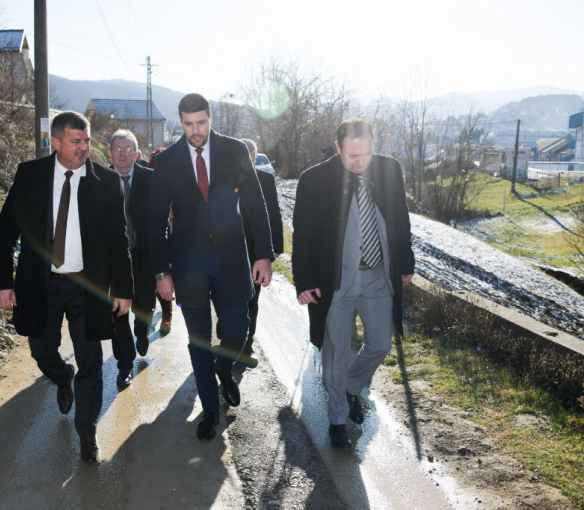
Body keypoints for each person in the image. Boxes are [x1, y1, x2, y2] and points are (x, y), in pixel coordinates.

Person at [0, 111, 133, 463]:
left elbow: (119, 240)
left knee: (91, 361)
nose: (84, 147)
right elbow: (6, 230)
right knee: (41, 350)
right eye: (75, 141)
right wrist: (2, 283)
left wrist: (124, 289)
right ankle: (61, 374)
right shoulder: (31, 175)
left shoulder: (105, 181)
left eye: (87, 140)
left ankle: (87, 432)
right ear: (55, 142)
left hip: (88, 287)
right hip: (41, 284)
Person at [148, 93, 274, 441]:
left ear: (210, 118)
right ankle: (210, 409)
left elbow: (256, 205)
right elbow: (155, 221)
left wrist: (264, 254)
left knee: (237, 330)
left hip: (232, 258)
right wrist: (162, 273)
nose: (195, 131)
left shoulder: (234, 150)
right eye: (188, 124)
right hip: (188, 265)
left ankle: (224, 368)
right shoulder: (167, 161)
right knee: (199, 339)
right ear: (181, 122)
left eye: (201, 122)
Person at [292, 118, 414, 450]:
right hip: (335, 280)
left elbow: (400, 218)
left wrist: (405, 262)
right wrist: (304, 281)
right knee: (336, 351)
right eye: (352, 156)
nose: (360, 162)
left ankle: (350, 386)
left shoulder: (389, 170)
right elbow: (303, 236)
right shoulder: (314, 179)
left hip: (377, 275)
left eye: (366, 154)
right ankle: (337, 420)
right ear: (338, 148)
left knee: (381, 343)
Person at [216, 138, 283, 368]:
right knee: (226, 298)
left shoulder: (266, 179)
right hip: (226, 250)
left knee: (252, 299)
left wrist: (275, 247)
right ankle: (227, 336)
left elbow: (273, 213)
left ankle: (246, 346)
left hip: (255, 251)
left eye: (251, 157)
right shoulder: (223, 177)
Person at [108, 129, 156, 386]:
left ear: (137, 154)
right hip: (115, 258)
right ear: (110, 153)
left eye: (128, 149)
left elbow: (162, 221)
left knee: (144, 304)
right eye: (117, 149)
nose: (122, 154)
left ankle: (142, 329)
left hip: (144, 255)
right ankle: (124, 365)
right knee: (117, 312)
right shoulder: (99, 180)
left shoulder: (152, 179)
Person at [147, 147, 174, 336]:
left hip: (172, 236)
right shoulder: (147, 181)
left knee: (165, 276)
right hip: (152, 235)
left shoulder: (176, 181)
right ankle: (153, 312)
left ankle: (167, 314)